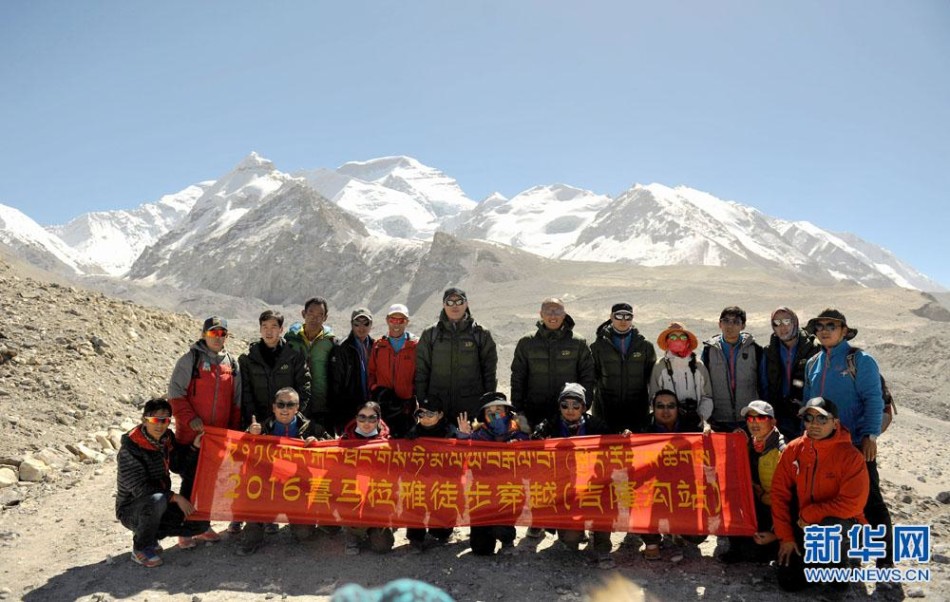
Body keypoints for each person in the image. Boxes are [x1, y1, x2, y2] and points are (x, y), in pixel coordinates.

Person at [803, 308, 893, 567]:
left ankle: (885, 559)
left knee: (870, 498)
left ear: (844, 331)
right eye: (820, 326)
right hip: (823, 446)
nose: (824, 330)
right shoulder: (813, 363)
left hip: (855, 445)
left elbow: (873, 399)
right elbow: (808, 404)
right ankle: (842, 552)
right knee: (830, 498)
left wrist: (871, 436)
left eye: (832, 325)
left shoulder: (861, 361)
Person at [771, 397, 869, 592]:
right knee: (789, 581)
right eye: (809, 418)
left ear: (835, 423)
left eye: (822, 419)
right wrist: (786, 537)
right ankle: (818, 563)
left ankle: (840, 573)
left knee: (829, 528)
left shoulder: (851, 457)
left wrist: (810, 514)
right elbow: (779, 493)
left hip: (840, 525)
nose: (814, 424)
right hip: (805, 525)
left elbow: (852, 505)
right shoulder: (794, 449)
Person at [167, 315, 241, 546]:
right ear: (204, 335)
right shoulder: (190, 360)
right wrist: (191, 420)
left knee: (210, 481)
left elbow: (235, 401)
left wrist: (233, 431)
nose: (218, 338)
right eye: (213, 333)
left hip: (217, 438)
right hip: (192, 435)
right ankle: (185, 530)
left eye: (222, 334)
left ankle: (202, 525)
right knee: (190, 480)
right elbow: (175, 394)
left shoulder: (231, 362)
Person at [531, 383, 615, 569]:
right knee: (570, 540)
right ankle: (575, 530)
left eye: (575, 406)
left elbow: (614, 443)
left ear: (584, 408)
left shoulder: (595, 425)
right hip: (565, 489)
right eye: (565, 405)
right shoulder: (550, 424)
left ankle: (602, 546)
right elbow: (533, 445)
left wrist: (624, 438)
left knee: (606, 506)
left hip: (593, 486)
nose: (570, 410)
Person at [116, 398, 207, 567]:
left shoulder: (166, 439)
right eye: (155, 420)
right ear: (145, 420)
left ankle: (151, 536)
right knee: (156, 500)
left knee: (199, 524)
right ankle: (141, 547)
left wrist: (194, 447)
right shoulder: (131, 448)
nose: (160, 425)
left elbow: (178, 466)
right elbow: (139, 488)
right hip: (132, 507)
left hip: (160, 502)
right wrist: (174, 497)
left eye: (165, 420)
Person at [238, 387, 327, 555]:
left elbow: (332, 448)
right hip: (267, 486)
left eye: (290, 404)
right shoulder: (262, 427)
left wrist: (318, 442)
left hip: (297, 487)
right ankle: (256, 530)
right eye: (281, 404)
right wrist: (250, 434)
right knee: (251, 528)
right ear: (274, 407)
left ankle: (294, 521)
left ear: (297, 407)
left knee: (304, 534)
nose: (285, 409)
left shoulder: (310, 427)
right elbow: (238, 450)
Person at [637, 389, 708, 560]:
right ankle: (651, 540)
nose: (666, 411)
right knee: (636, 496)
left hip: (683, 485)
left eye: (671, 406)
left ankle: (677, 530)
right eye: (660, 406)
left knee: (698, 535)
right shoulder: (643, 426)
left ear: (678, 408)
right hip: (655, 487)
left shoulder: (692, 423)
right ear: (653, 408)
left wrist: (708, 431)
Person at [456, 392, 530, 555]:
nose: (495, 414)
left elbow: (530, 461)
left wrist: (519, 446)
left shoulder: (519, 432)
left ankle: (507, 539)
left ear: (508, 411)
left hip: (509, 492)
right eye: (490, 412)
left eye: (499, 409)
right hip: (483, 494)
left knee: (502, 529)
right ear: (483, 416)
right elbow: (462, 461)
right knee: (481, 549)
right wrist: (463, 438)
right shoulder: (477, 435)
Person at [415, 287, 498, 422]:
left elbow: (489, 373)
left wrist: (487, 404)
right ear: (443, 305)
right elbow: (421, 371)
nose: (455, 306)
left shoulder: (480, 334)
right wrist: (423, 402)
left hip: (470, 408)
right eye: (450, 302)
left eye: (459, 301)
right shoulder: (430, 334)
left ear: (466, 304)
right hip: (437, 407)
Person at [511, 297, 595, 429]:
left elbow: (588, 376)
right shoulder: (527, 342)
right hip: (533, 411)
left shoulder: (578, 343)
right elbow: (518, 376)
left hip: (568, 412)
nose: (553, 316)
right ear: (541, 314)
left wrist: (584, 405)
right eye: (548, 311)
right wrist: (518, 409)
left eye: (557, 311)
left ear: (564, 314)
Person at [719, 400, 785, 564]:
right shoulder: (751, 443)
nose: (755, 423)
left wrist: (776, 532)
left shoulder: (783, 451)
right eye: (750, 419)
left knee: (755, 554)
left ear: (773, 422)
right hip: (756, 504)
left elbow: (790, 497)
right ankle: (737, 546)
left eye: (761, 418)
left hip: (775, 512)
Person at [590, 302, 656, 435]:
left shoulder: (645, 346)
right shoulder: (598, 346)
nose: (623, 321)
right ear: (611, 317)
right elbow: (592, 377)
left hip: (637, 409)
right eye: (619, 316)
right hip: (606, 408)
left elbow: (651, 377)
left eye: (628, 317)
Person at [339, 401, 396, 555]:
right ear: (356, 418)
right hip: (353, 496)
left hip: (379, 497)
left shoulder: (389, 442)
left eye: (372, 418)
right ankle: (352, 534)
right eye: (362, 418)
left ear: (379, 419)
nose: (366, 423)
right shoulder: (344, 440)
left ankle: (378, 527)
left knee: (382, 546)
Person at [239, 309, 311, 430]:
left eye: (273, 327)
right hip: (259, 424)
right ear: (260, 329)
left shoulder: (293, 356)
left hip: (288, 422)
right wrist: (253, 420)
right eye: (264, 326)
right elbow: (246, 393)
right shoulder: (248, 358)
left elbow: (304, 387)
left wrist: (294, 414)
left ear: (281, 330)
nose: (269, 331)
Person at [404, 396, 458, 553]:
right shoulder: (414, 432)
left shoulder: (450, 432)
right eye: (422, 414)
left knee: (441, 531)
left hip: (443, 483)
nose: (425, 418)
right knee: (415, 502)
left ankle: (440, 530)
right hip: (420, 482)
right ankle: (415, 538)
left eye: (430, 414)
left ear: (440, 415)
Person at [761, 307, 821, 441]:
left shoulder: (813, 348)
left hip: (807, 413)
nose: (782, 326)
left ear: (795, 322)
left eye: (787, 321)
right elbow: (764, 385)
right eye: (777, 323)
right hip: (779, 414)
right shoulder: (769, 351)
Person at [701, 306, 763, 432]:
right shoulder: (709, 350)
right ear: (719, 324)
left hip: (749, 419)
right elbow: (704, 385)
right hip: (719, 420)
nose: (730, 326)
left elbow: (763, 383)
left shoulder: (754, 349)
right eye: (726, 321)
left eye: (736, 322)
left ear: (743, 326)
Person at [285, 296, 337, 432]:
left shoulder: (331, 342)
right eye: (311, 313)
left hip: (323, 405)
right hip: (296, 406)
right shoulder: (291, 340)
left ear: (325, 318)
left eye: (320, 315)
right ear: (303, 314)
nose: (315, 318)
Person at [649, 322, 713, 430]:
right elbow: (653, 398)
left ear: (688, 341)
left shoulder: (699, 366)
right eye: (673, 337)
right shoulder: (659, 366)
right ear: (667, 341)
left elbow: (707, 397)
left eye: (682, 337)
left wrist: (701, 417)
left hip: (696, 423)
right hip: (668, 426)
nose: (678, 340)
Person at [368, 303, 419, 438]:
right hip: (383, 405)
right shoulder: (379, 345)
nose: (396, 324)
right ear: (387, 320)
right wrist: (375, 388)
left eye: (400, 320)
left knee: (406, 444)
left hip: (406, 407)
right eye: (393, 320)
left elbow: (421, 374)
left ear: (406, 322)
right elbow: (371, 372)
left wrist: (413, 392)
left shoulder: (415, 346)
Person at [329, 308, 376, 435]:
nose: (361, 327)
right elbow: (336, 383)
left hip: (371, 407)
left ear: (371, 325)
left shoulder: (375, 346)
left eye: (365, 323)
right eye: (357, 323)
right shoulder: (341, 348)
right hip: (348, 408)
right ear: (351, 325)